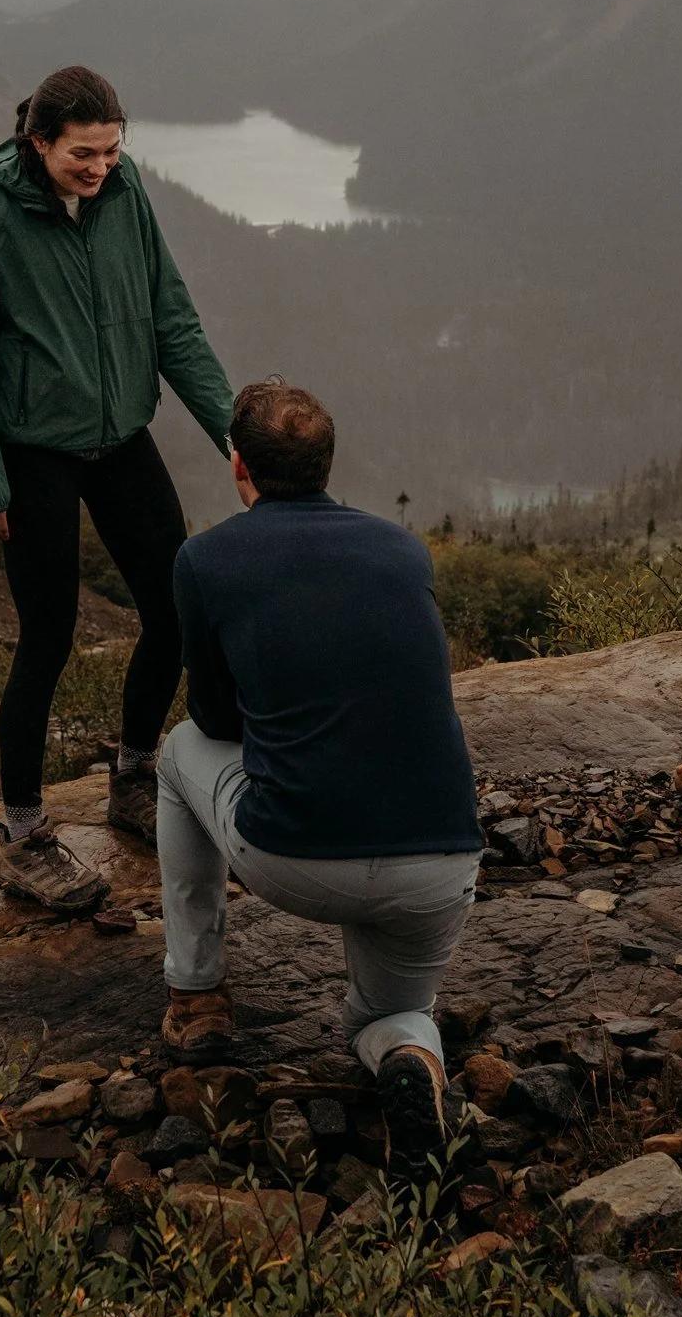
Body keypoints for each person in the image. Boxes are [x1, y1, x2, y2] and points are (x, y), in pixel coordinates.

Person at [156, 380, 482, 1179]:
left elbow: (217, 718)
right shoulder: (403, 549)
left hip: (294, 858)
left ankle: (197, 998)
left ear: (238, 464)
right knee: (395, 1011)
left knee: (174, 753)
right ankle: (407, 1058)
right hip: (438, 865)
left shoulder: (205, 558)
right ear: (329, 463)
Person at [0, 65, 233, 913]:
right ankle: (24, 837)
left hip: (118, 436)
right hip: (31, 449)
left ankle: (133, 779)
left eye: (111, 151)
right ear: (37, 141)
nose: (99, 168)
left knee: (175, 604)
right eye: (82, 154)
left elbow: (169, 314)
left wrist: (232, 438)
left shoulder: (123, 192)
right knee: (49, 634)